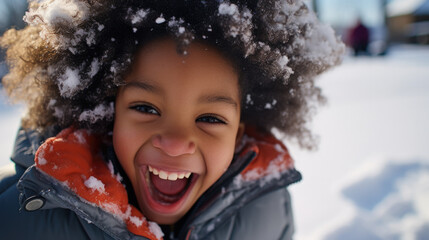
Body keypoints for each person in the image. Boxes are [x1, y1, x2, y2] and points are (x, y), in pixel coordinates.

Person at [0, 0, 344, 239]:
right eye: (146, 108)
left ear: (238, 132)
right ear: (109, 113)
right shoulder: (20, 218)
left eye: (210, 117)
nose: (177, 142)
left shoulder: (268, 210)